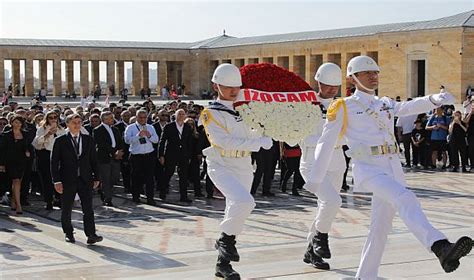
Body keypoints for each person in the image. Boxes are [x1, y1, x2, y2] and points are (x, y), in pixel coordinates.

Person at [305, 55, 472, 279]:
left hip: (393, 167)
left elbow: (407, 106)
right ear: (353, 78)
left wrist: (434, 99)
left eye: (375, 73)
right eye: (367, 73)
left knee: (380, 230)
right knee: (406, 199)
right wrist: (315, 179)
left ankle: (366, 275)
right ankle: (440, 246)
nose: (373, 77)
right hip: (369, 168)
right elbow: (326, 142)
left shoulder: (383, 103)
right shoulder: (344, 106)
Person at [201, 63, 273, 279]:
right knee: (245, 202)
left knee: (235, 210)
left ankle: (223, 265)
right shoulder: (210, 113)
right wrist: (257, 143)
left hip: (244, 166)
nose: (233, 90)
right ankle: (224, 240)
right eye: (227, 86)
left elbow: (252, 134)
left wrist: (264, 133)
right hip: (221, 165)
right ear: (216, 85)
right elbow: (223, 141)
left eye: (236, 86)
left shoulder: (245, 110)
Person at [299, 63, 347, 270]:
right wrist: (323, 140)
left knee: (326, 207)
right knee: (332, 201)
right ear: (318, 82)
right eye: (328, 85)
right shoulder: (305, 105)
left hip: (336, 162)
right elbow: (298, 136)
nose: (332, 89)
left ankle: (311, 250)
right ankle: (320, 239)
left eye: (335, 86)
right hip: (312, 162)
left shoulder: (342, 106)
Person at [50, 114, 103, 244]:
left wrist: (97, 177)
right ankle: (68, 232)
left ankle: (91, 234)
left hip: (85, 179)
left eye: (79, 122)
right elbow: (54, 162)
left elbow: (94, 160)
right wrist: (56, 181)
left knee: (88, 208)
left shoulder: (88, 139)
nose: (77, 125)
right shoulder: (60, 140)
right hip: (67, 179)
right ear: (67, 124)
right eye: (74, 122)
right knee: (67, 208)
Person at [32, 111, 66, 210]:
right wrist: (48, 134)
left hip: (58, 155)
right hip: (45, 154)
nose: (53, 119)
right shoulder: (41, 128)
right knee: (46, 179)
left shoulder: (61, 129)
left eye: (55, 117)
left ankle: (59, 199)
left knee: (59, 178)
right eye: (50, 117)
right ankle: (48, 200)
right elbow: (37, 142)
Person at [124, 110, 159, 205]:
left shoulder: (150, 127)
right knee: (136, 177)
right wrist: (138, 136)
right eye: (140, 117)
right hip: (136, 156)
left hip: (149, 155)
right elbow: (127, 140)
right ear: (136, 117)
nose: (143, 119)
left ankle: (150, 198)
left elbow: (156, 140)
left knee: (150, 178)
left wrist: (149, 135)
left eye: (144, 117)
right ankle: (136, 196)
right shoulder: (130, 127)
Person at [0, 115, 33, 215]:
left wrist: (27, 152)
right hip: (10, 161)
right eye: (15, 122)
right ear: (12, 123)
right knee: (16, 181)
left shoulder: (25, 134)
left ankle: (14, 201)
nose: (17, 124)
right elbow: (2, 150)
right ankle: (18, 205)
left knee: (17, 182)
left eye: (19, 122)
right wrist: (1, 164)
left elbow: (27, 146)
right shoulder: (6, 135)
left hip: (22, 161)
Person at [158, 109, 193, 203]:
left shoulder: (187, 127)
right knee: (168, 173)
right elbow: (162, 141)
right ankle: (163, 191)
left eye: (183, 114)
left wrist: (189, 155)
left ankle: (184, 196)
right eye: (179, 114)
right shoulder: (169, 126)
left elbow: (189, 142)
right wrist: (161, 155)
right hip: (171, 154)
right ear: (175, 115)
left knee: (184, 176)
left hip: (183, 155)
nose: (181, 116)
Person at [93, 111, 124, 206]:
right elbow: (102, 144)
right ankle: (108, 198)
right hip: (104, 158)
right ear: (104, 119)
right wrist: (114, 152)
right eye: (110, 118)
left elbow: (120, 141)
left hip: (115, 158)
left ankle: (104, 190)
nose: (112, 120)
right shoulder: (98, 130)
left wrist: (120, 151)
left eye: (112, 118)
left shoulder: (115, 129)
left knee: (114, 177)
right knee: (105, 178)